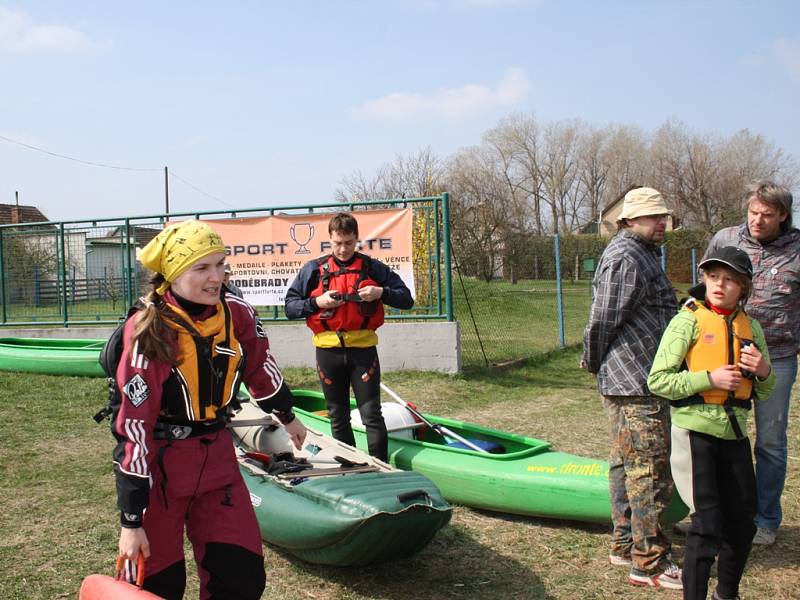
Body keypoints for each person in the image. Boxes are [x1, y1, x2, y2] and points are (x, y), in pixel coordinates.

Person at [112, 220, 307, 600]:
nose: (216, 277)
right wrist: (131, 520)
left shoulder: (236, 313)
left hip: (217, 457)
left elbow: (260, 366)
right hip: (161, 468)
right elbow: (133, 426)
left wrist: (287, 414)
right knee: (155, 584)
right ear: (173, 273)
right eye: (202, 268)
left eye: (221, 264)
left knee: (242, 576)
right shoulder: (150, 328)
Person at [648, 247, 775, 600]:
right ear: (704, 279)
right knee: (706, 525)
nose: (720, 284)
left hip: (734, 434)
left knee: (742, 522)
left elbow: (765, 391)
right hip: (694, 433)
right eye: (713, 276)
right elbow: (657, 380)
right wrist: (709, 379)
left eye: (730, 279)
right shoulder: (687, 321)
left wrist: (763, 371)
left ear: (743, 287)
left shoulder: (752, 328)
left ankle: (727, 593)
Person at [582, 186, 682, 590]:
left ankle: (625, 543)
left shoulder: (642, 252)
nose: (662, 223)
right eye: (654, 216)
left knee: (626, 464)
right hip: (635, 380)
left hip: (635, 377)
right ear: (630, 219)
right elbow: (603, 318)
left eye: (664, 216)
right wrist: (593, 359)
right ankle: (650, 562)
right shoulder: (627, 256)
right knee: (649, 470)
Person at [702, 181, 799, 546]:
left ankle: (766, 520)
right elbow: (706, 283)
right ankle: (719, 511)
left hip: (779, 357)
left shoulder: (797, 248)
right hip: (725, 351)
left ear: (783, 216)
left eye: (767, 215)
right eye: (753, 212)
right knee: (719, 433)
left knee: (771, 442)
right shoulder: (727, 238)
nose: (757, 220)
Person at [284, 212, 413, 462]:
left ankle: (380, 467)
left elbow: (406, 299)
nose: (343, 250)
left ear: (356, 240)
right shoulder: (313, 269)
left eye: (349, 243)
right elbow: (290, 307)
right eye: (337, 243)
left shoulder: (372, 267)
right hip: (328, 352)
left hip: (362, 352)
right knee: (337, 414)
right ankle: (350, 465)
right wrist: (316, 302)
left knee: (371, 414)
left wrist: (381, 292)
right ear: (329, 240)